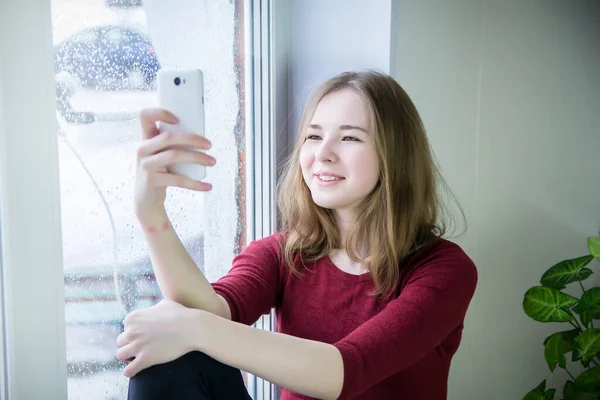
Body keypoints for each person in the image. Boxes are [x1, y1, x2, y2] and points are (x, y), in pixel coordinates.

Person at [116, 70, 478, 400]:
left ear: (394, 156)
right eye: (313, 136)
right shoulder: (283, 254)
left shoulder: (443, 270)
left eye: (350, 138)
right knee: (167, 357)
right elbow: (204, 312)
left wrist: (193, 327)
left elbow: (345, 371)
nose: (323, 154)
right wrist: (150, 211)